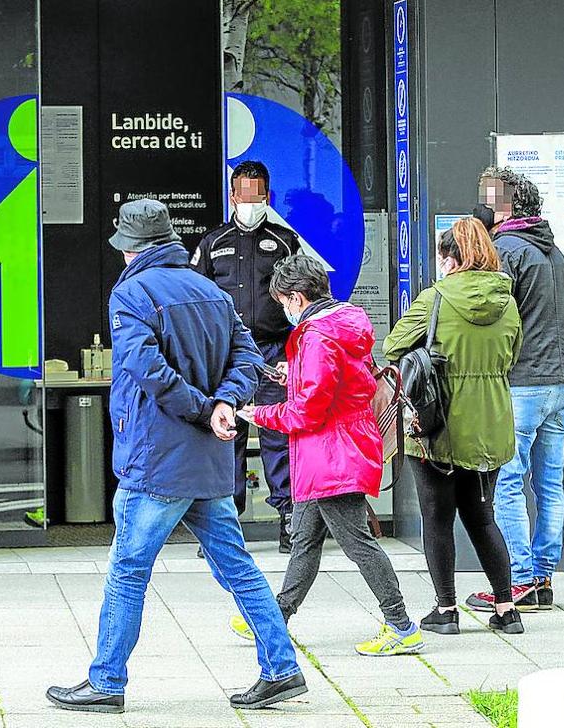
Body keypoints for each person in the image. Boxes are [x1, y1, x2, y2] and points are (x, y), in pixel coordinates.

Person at [46, 199, 305, 714]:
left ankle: (106, 681)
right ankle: (281, 668)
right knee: (240, 568)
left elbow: (146, 369)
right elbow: (250, 356)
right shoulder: (211, 289)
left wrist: (205, 408)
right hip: (207, 460)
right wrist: (225, 403)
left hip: (156, 458)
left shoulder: (131, 293)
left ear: (133, 249)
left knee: (128, 568)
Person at [230, 255, 422, 656]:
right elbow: (343, 382)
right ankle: (275, 616)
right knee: (304, 539)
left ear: (297, 298)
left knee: (358, 544)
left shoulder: (317, 336)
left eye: (283, 301)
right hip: (334, 451)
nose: (283, 309)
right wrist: (292, 374)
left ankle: (401, 625)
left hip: (332, 456)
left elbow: (308, 409)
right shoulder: (343, 322)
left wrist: (260, 414)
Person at [384, 218, 524, 636]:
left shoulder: (436, 298)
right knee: (483, 517)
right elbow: (511, 357)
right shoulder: (508, 301)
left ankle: (446, 610)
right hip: (491, 422)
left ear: (449, 259)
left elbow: (394, 344)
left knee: (437, 518)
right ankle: (505, 609)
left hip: (437, 423)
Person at [466, 169, 564, 614]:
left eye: (486, 200)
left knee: (508, 482)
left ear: (504, 206)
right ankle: (544, 577)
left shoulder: (506, 250)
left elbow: (487, 312)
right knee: (550, 483)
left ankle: (521, 579)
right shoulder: (556, 255)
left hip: (524, 383)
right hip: (562, 382)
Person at [192, 161, 301, 550]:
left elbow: (301, 299)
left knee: (278, 434)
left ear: (267, 197)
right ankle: (225, 524)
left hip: (274, 352)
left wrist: (296, 353)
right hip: (227, 355)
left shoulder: (286, 241)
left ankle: (289, 519)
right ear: (232, 196)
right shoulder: (212, 243)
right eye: (243, 195)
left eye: (257, 196)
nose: (249, 202)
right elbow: (197, 301)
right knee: (226, 435)